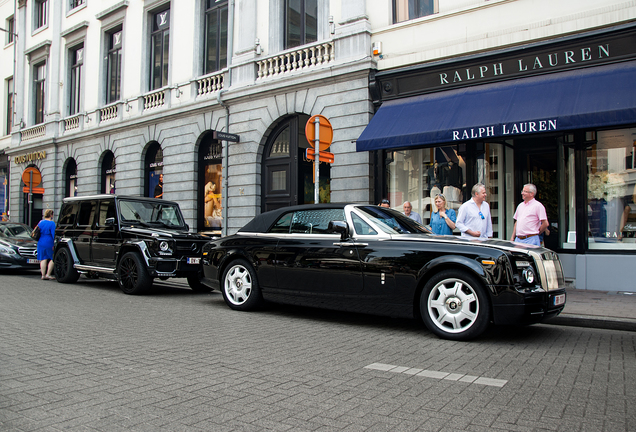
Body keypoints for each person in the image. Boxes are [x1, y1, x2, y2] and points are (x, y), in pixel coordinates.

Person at [37, 209, 56, 280]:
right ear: (51, 215)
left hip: (41, 241)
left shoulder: (40, 222)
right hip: (49, 241)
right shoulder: (52, 223)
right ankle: (48, 274)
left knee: (43, 258)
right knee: (52, 258)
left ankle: (43, 275)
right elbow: (53, 234)